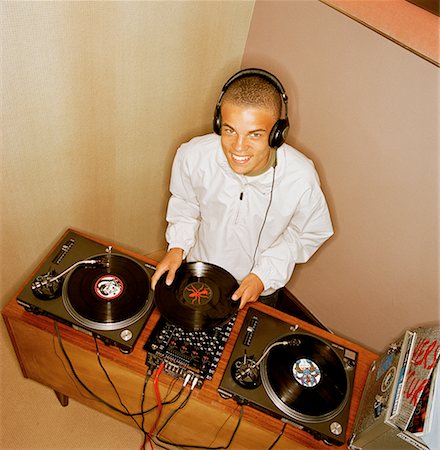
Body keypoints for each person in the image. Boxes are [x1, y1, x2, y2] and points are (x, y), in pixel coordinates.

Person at [151, 68, 333, 310]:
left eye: (254, 134)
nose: (238, 148)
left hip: (258, 287)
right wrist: (178, 246)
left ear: (277, 134)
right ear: (218, 123)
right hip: (197, 272)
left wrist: (264, 275)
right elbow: (185, 204)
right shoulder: (192, 155)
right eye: (229, 130)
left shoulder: (301, 178)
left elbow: (307, 233)